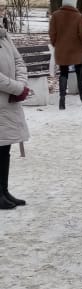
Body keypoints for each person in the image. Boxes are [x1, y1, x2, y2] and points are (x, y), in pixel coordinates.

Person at [0, 19, 31, 209]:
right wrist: (17, 87)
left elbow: (19, 61)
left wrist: (21, 83)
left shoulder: (4, 35)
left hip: (9, 101)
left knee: (5, 146)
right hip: (6, 96)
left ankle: (3, 190)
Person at [48, 0, 82, 109]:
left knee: (63, 73)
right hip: (77, 51)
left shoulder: (55, 15)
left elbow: (52, 33)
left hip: (62, 50)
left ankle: (62, 100)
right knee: (80, 73)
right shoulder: (78, 16)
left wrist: (57, 44)